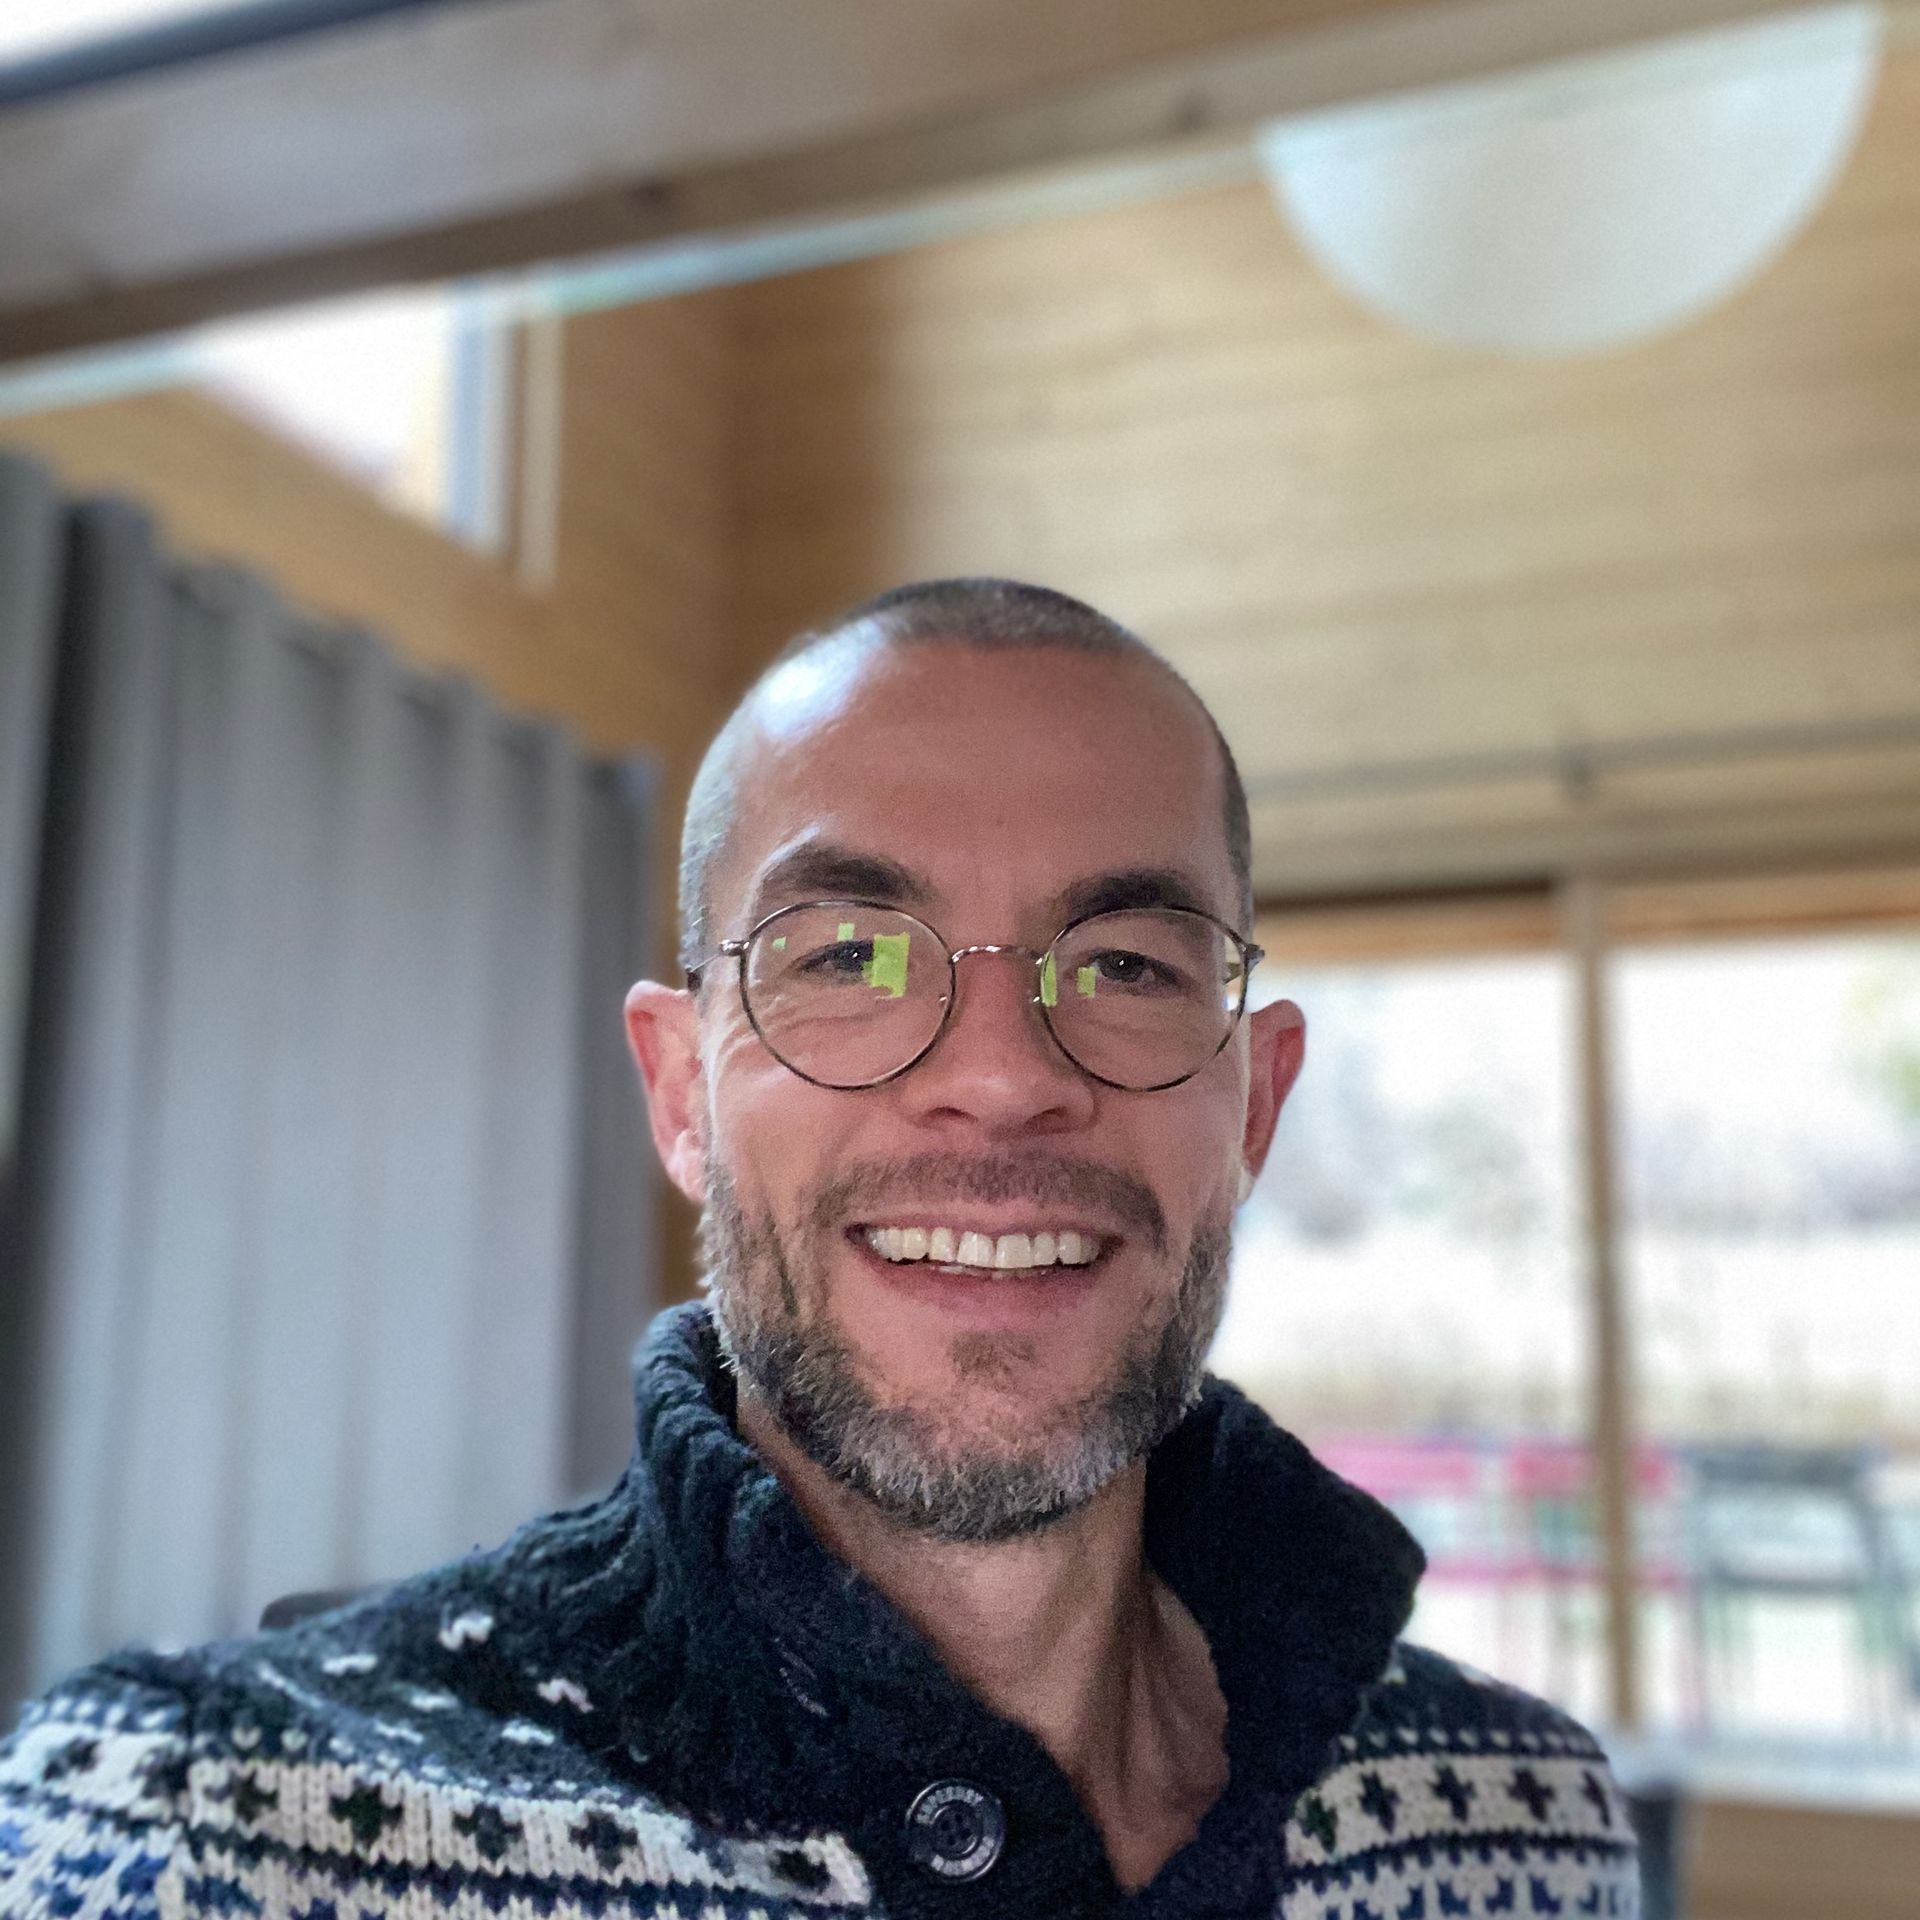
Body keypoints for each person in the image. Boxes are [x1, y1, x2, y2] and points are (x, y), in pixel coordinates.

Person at [0, 579, 1640, 1919]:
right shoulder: (192, 1825)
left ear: (1256, 1102)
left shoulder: (1525, 1826)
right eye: (849, 954)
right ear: (682, 1093)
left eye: (1127, 965)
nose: (1001, 1076)